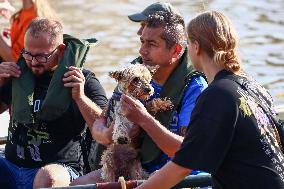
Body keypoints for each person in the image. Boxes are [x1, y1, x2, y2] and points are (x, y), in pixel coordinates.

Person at [120, 11, 284, 189]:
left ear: (196, 47)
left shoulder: (216, 95)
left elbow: (182, 166)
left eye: (188, 44)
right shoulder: (253, 86)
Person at [71, 6, 207, 185]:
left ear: (175, 51)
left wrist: (142, 119)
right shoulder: (136, 72)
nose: (142, 51)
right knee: (74, 187)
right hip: (133, 167)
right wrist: (104, 133)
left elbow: (187, 153)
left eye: (151, 44)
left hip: (177, 177)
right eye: (142, 41)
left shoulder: (195, 87)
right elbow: (105, 120)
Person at [0, 18, 108, 188]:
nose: (34, 62)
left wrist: (80, 97)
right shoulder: (18, 74)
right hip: (10, 166)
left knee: (47, 177)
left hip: (60, 169)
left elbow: (105, 128)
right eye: (28, 54)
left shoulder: (83, 79)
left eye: (42, 56)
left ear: (61, 50)